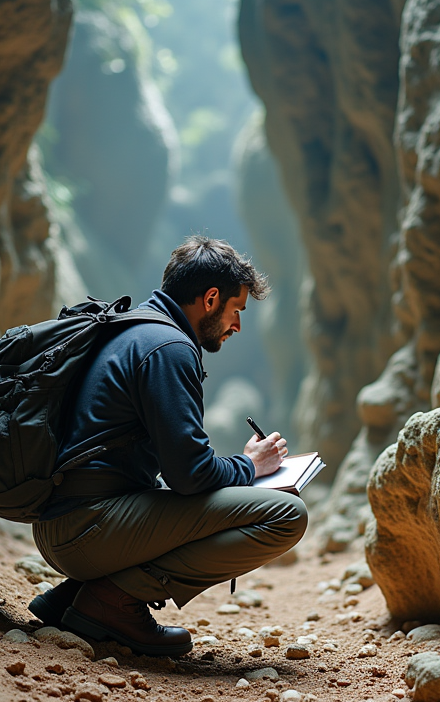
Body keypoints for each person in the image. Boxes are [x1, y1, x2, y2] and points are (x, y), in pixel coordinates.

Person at [26, 236, 307, 656]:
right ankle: (112, 600)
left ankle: (75, 596)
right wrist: (251, 465)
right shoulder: (169, 348)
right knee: (287, 515)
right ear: (210, 299)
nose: (237, 325)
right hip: (85, 531)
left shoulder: (133, 328)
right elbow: (190, 476)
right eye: (236, 310)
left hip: (63, 524)